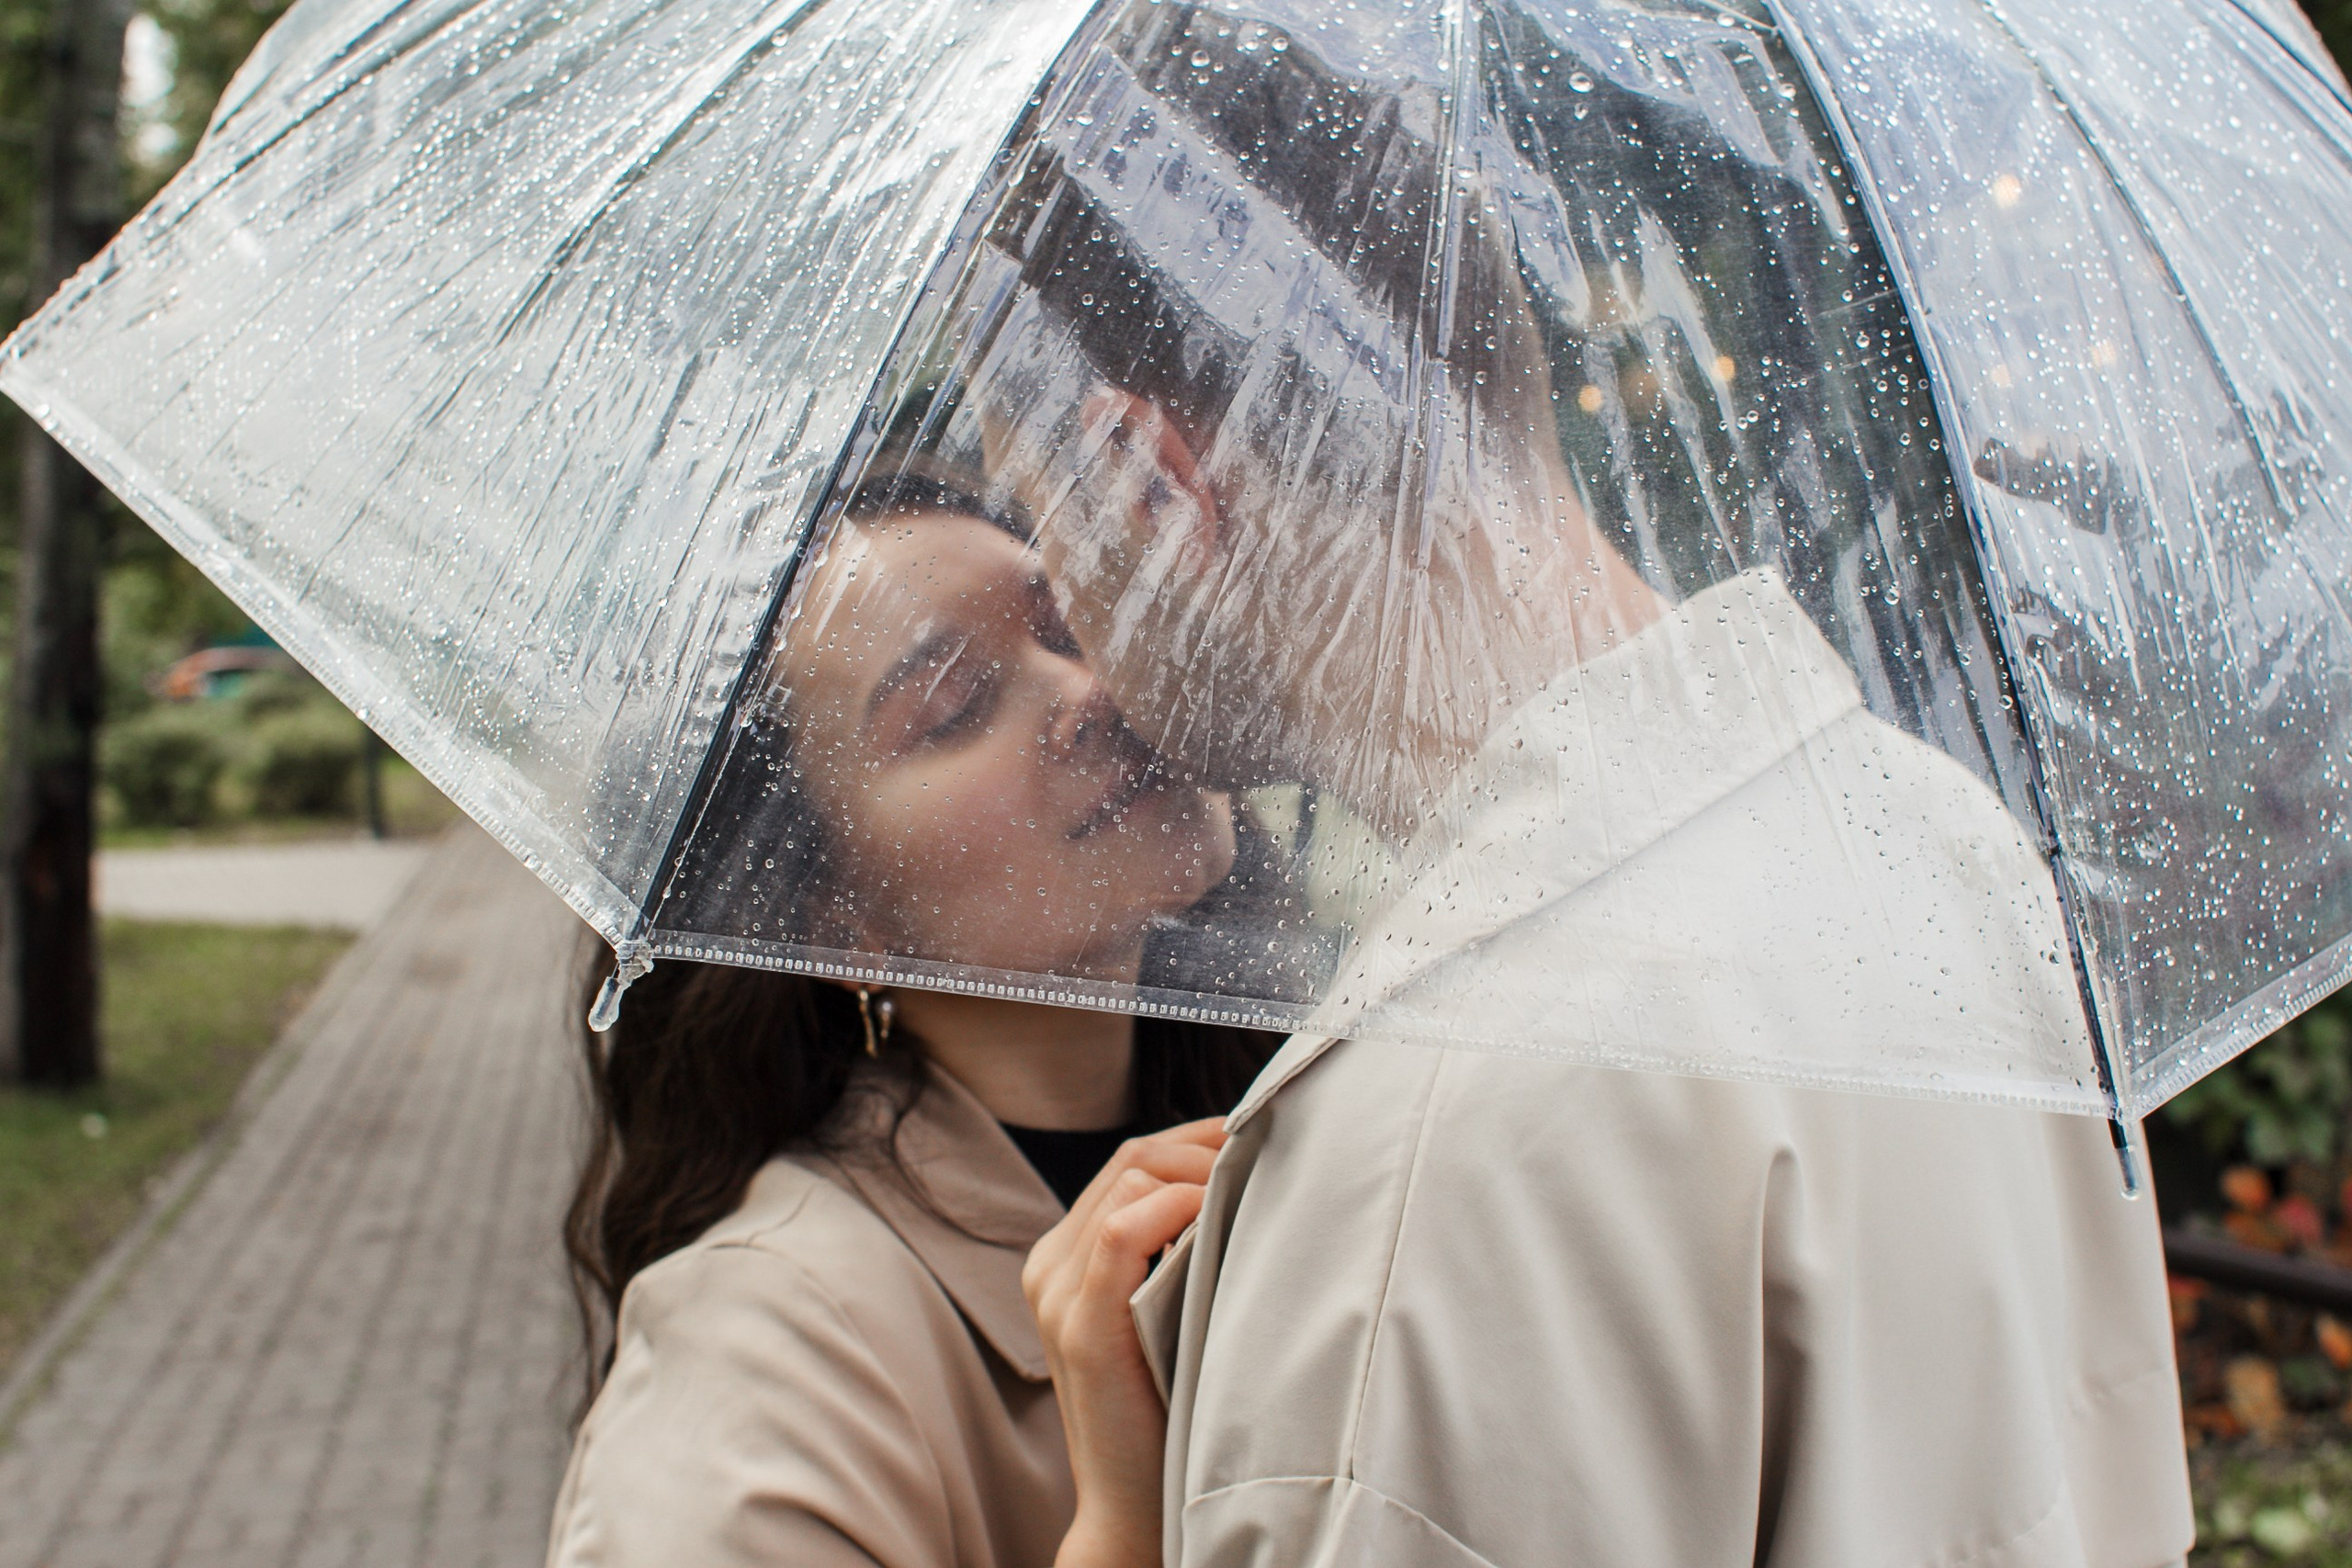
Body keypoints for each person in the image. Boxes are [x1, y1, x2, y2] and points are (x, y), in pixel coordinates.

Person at [988, 7, 2197, 1562]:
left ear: (1152, 478)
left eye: (1047, 533)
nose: (1076, 630)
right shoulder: (1935, 835)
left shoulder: (1435, 1149)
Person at [543, 472, 1279, 1568]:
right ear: (840, 925)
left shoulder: (1299, 1131)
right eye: (953, 708)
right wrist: (1124, 1535)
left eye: (1076, 622)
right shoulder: (762, 1365)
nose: (1088, 689)